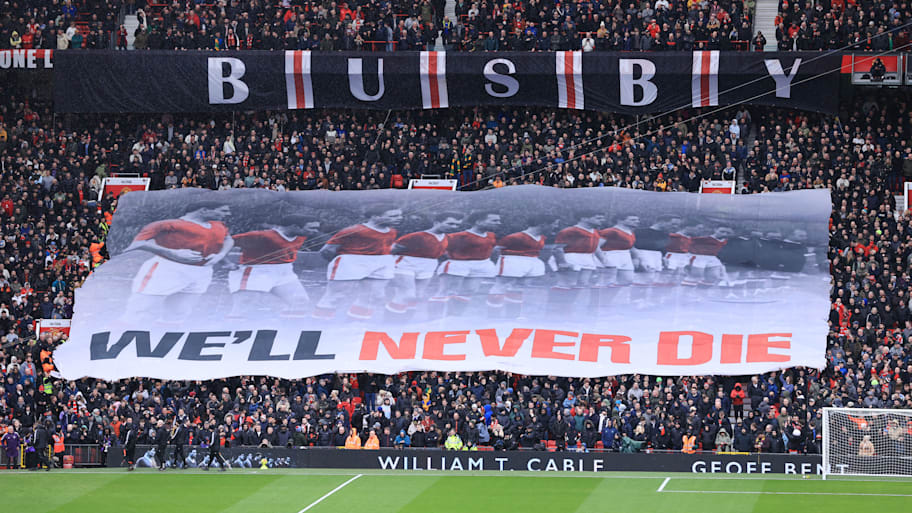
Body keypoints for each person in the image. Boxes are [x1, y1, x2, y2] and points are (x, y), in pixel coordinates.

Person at [123, 203, 233, 321]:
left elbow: (228, 239)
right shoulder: (167, 224)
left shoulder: (218, 225)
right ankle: (121, 334)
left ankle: (163, 336)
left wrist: (221, 255)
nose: (228, 214)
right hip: (167, 269)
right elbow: (135, 244)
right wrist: (173, 253)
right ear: (204, 210)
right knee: (142, 311)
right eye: (223, 211)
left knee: (179, 313)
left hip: (202, 272)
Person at [313, 206, 403, 320]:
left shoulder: (392, 231)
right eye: (393, 216)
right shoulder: (354, 230)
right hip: (352, 261)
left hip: (382, 263)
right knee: (336, 296)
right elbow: (327, 250)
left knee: (373, 296)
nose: (399, 218)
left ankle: (356, 324)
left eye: (400, 215)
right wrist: (346, 263)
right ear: (375, 217)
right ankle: (320, 324)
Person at [227, 216, 321, 318]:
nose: (316, 231)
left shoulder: (300, 235)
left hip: (285, 272)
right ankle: (234, 327)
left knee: (299, 302)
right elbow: (225, 242)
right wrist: (225, 262)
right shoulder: (263, 236)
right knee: (245, 306)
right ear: (295, 226)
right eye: (312, 228)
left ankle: (288, 330)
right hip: (257, 271)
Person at [389, 212, 463, 314]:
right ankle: (391, 321)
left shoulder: (448, 238)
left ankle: (405, 321)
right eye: (450, 223)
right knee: (407, 294)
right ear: (437, 222)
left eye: (457, 225)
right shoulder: (417, 236)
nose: (454, 227)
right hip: (406, 265)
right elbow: (391, 250)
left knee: (418, 295)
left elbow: (443, 252)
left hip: (428, 265)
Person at [435, 212, 502, 315]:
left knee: (469, 290)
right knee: (447, 291)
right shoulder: (458, 236)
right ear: (478, 222)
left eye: (498, 220)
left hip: (479, 266)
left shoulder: (491, 235)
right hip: (458, 265)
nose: (499, 223)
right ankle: (435, 318)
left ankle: (454, 316)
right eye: (494, 220)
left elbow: (488, 249)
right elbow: (439, 248)